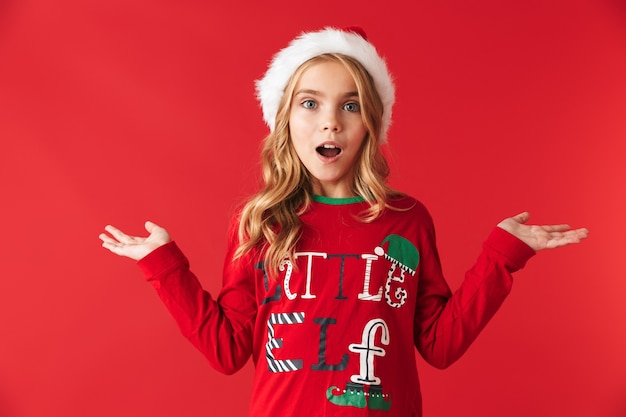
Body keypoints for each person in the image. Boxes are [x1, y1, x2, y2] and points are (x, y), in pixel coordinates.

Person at [99, 27, 588, 417]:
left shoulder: (407, 221)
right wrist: (163, 266)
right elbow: (227, 350)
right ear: (285, 119)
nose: (330, 121)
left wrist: (502, 256)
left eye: (349, 105)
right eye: (310, 103)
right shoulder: (261, 223)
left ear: (371, 123)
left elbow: (439, 344)